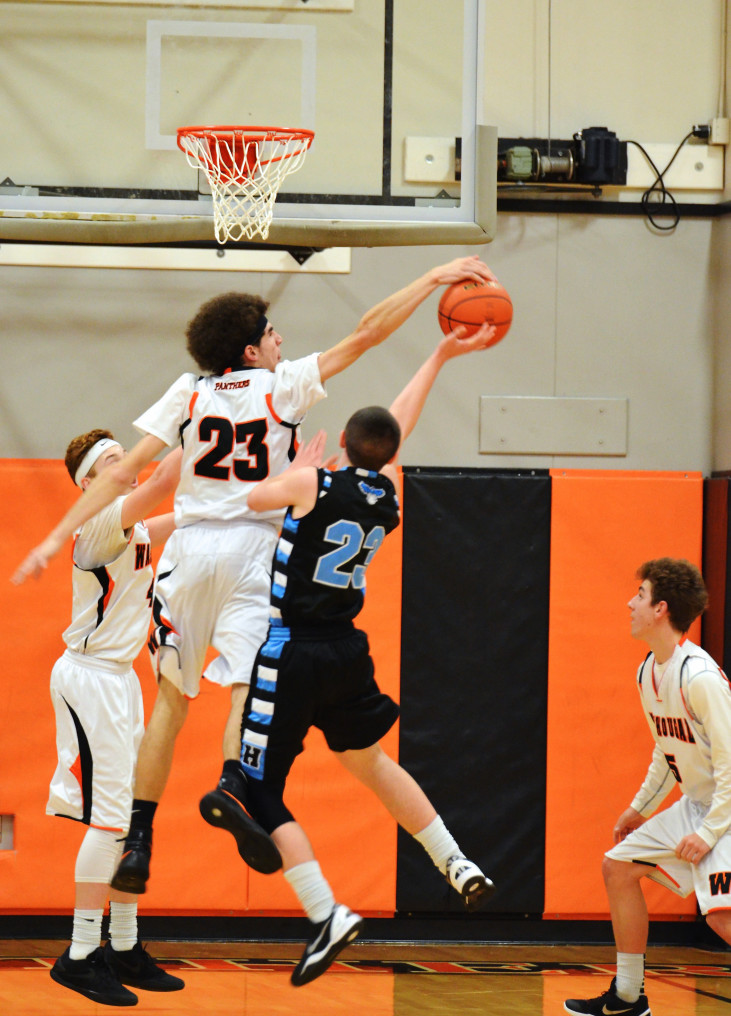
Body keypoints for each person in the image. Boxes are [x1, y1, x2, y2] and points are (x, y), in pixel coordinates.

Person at [12, 256, 495, 897]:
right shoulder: (284, 390)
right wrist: (433, 278)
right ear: (250, 348)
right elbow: (368, 333)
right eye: (271, 333)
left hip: (189, 552)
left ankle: (139, 837)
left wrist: (54, 537)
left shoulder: (188, 391)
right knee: (246, 682)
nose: (280, 340)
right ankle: (234, 783)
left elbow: (126, 474)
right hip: (255, 555)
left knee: (171, 703)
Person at [200, 323, 498, 987]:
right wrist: (439, 355)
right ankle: (455, 861)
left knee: (256, 791)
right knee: (372, 762)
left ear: (341, 441)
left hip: (292, 650)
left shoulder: (313, 484)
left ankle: (325, 912)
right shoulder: (387, 494)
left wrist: (295, 471)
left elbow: (253, 497)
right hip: (347, 652)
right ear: (387, 454)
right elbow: (399, 425)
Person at [45, 429, 183, 1007]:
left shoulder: (136, 527)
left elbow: (186, 516)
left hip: (121, 679)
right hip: (90, 678)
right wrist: (212, 411)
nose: (126, 462)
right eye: (112, 460)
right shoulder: (99, 523)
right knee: (109, 822)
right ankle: (79, 955)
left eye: (123, 454)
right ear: (88, 484)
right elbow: (166, 477)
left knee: (132, 819)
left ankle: (123, 945)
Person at [564, 558, 731, 1016]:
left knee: (722, 917)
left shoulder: (699, 678)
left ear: (661, 609)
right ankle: (627, 999)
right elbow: (666, 750)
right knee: (618, 868)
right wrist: (639, 808)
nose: (629, 603)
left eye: (639, 595)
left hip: (725, 808)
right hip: (697, 804)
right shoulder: (648, 672)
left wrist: (710, 832)